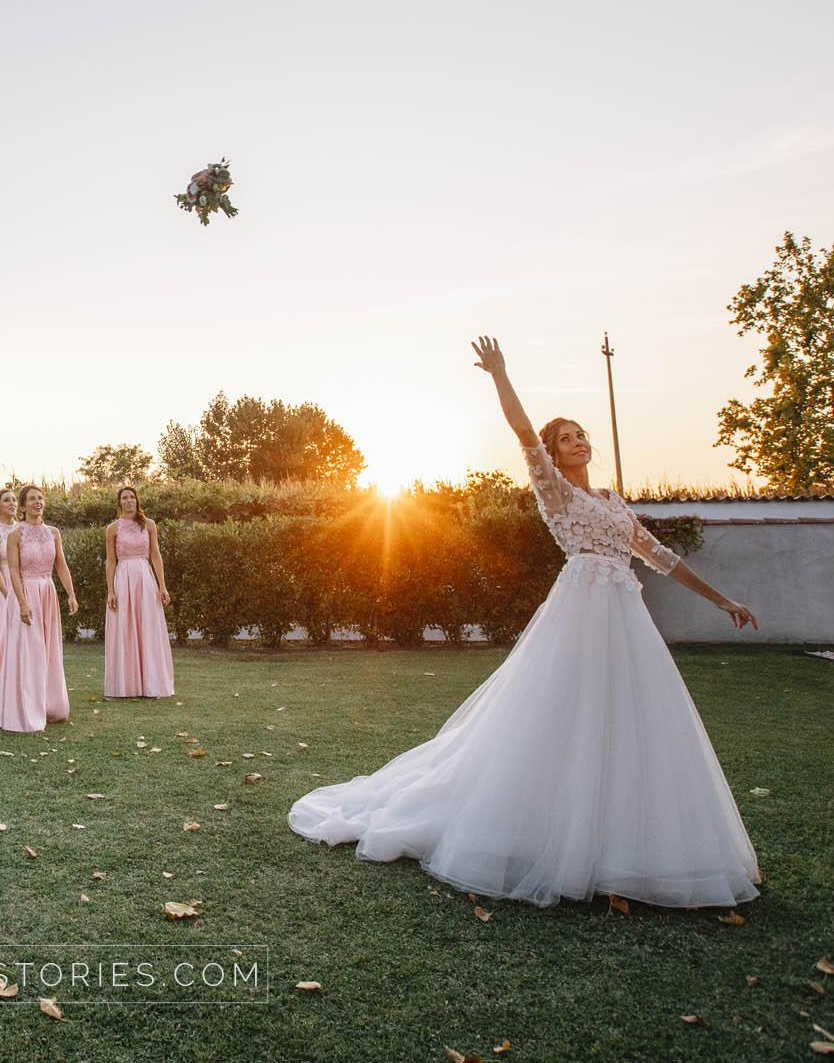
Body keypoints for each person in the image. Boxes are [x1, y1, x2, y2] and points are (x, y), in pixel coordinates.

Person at [288, 336, 763, 909]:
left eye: (581, 435)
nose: (578, 442)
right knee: (563, 711)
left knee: (633, 713)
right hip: (581, 610)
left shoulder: (613, 501)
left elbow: (661, 557)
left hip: (624, 615)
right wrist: (499, 374)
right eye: (566, 438)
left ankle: (626, 842)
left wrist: (722, 600)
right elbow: (521, 430)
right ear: (554, 454)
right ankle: (543, 831)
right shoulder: (554, 492)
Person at [6, 486, 76, 723]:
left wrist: (71, 594)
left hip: (48, 592)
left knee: (49, 649)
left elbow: (61, 566)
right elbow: (13, 571)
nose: (37, 502)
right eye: (32, 499)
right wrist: (22, 603)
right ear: (23, 506)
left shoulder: (54, 533)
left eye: (40, 498)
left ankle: (50, 705)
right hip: (26, 592)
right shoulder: (15, 534)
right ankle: (27, 706)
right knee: (30, 650)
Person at [0, 488, 45, 732]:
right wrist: (9, 595)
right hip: (5, 589)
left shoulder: (23, 529)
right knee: (3, 641)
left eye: (15, 500)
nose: (12, 504)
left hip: (26, 586)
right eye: (7, 500)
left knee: (24, 642)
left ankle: (25, 691)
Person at [103, 485, 175, 698]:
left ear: (137, 501)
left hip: (145, 577)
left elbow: (156, 555)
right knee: (125, 627)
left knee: (148, 626)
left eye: (132, 497)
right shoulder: (112, 529)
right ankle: (127, 684)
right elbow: (110, 561)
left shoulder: (149, 525)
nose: (129, 501)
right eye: (124, 498)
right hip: (123, 578)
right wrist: (111, 590)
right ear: (119, 503)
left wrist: (162, 585)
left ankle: (152, 683)